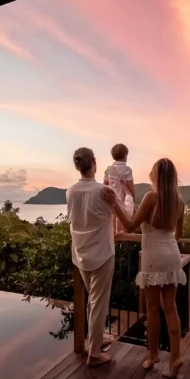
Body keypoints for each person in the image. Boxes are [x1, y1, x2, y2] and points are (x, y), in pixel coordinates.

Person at [103, 158, 185, 377]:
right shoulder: (179, 201)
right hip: (172, 255)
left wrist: (113, 204)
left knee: (152, 309)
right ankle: (176, 357)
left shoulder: (151, 197)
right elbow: (178, 235)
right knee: (170, 308)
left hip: (153, 257)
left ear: (155, 176)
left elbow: (130, 225)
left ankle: (153, 355)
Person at [67, 147, 114, 366]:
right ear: (94, 162)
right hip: (102, 253)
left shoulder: (71, 191)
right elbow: (126, 213)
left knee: (92, 302)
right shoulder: (103, 191)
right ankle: (94, 353)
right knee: (98, 303)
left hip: (81, 254)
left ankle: (95, 340)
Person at [103, 143, 135, 234]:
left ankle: (113, 229)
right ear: (125, 156)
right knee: (121, 211)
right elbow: (130, 183)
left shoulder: (108, 169)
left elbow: (105, 184)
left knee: (113, 211)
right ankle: (119, 229)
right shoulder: (127, 169)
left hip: (112, 193)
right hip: (124, 194)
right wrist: (132, 195)